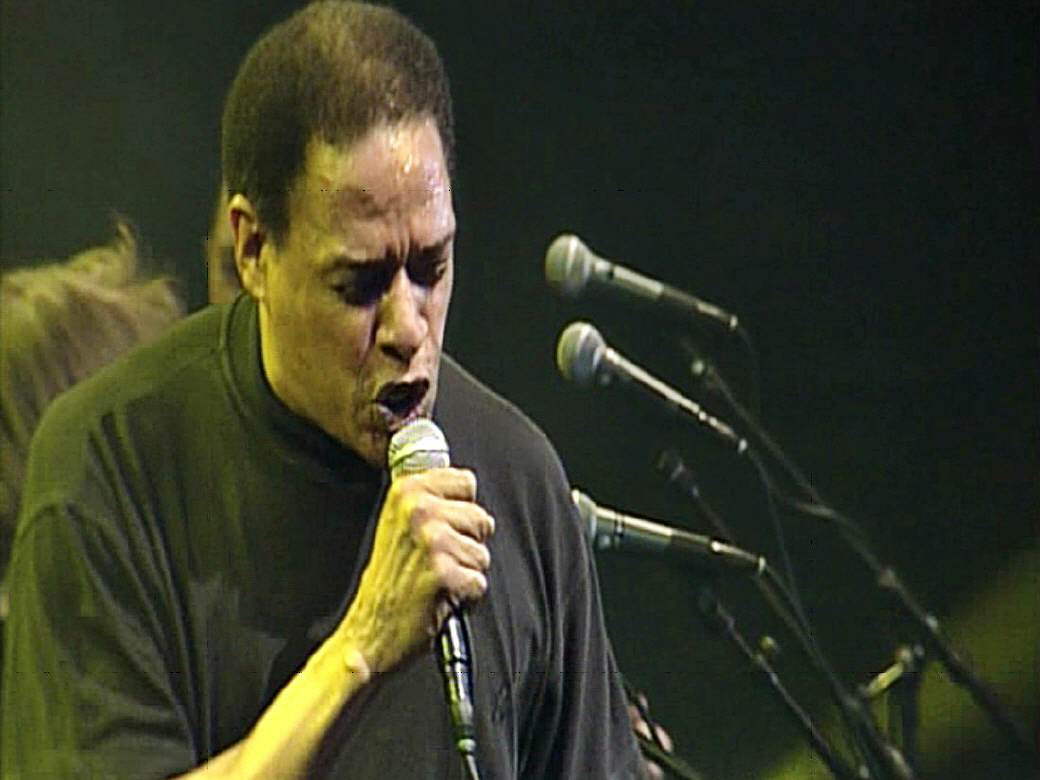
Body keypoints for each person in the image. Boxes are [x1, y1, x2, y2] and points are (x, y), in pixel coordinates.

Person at [1, 3, 645, 777]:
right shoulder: (109, 468)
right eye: (360, 283)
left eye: (431, 268)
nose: (408, 326)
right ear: (252, 250)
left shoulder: (517, 476)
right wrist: (360, 647)